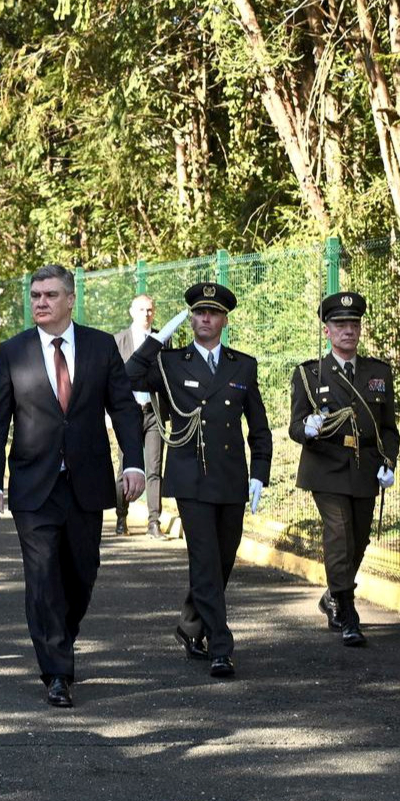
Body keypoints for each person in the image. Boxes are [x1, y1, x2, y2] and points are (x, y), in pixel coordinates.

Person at [0, 264, 145, 708]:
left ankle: (61, 638)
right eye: (35, 295)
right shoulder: (13, 352)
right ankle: (56, 670)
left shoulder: (100, 346)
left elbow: (125, 410)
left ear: (70, 299)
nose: (41, 302)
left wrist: (135, 464)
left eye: (50, 295)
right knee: (42, 575)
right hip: (34, 486)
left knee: (81, 572)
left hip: (87, 483)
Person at [125, 284, 272, 678]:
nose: (205, 319)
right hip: (191, 478)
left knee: (222, 561)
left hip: (230, 479)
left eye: (213, 313)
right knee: (205, 560)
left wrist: (260, 473)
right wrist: (156, 340)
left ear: (224, 320)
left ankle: (190, 625)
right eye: (198, 313)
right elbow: (129, 376)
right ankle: (220, 647)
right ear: (190, 318)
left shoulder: (243, 365)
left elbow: (258, 427)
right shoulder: (173, 363)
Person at [290, 292, 398, 647]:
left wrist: (389, 461)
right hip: (326, 465)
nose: (348, 331)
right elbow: (295, 425)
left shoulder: (378, 372)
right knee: (339, 534)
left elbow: (388, 428)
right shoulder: (310, 374)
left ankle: (333, 595)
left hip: (365, 467)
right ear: (327, 331)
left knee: (359, 539)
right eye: (340, 325)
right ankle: (348, 611)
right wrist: (305, 430)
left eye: (353, 324)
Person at [111, 294, 165, 537]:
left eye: (150, 310)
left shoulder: (163, 339)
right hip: (127, 415)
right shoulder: (118, 341)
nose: (146, 314)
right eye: (142, 310)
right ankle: (121, 516)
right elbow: (110, 382)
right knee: (127, 467)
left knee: (154, 468)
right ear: (132, 312)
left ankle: (154, 522)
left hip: (154, 413)